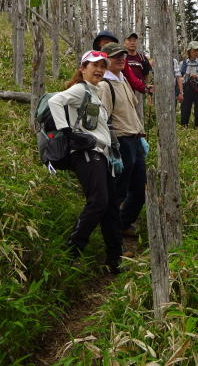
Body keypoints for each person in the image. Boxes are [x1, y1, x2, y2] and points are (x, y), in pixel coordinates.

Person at [48, 50, 123, 274]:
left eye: (102, 66)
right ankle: (72, 251)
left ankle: (114, 260)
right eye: (94, 66)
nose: (99, 70)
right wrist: (67, 133)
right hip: (87, 154)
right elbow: (55, 100)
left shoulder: (94, 92)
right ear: (83, 69)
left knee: (110, 207)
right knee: (99, 202)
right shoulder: (80, 89)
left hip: (101, 154)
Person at [98, 42, 147, 239]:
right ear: (106, 60)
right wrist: (113, 150)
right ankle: (112, 234)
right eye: (115, 56)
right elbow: (102, 119)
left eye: (122, 55)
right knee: (119, 191)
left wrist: (141, 134)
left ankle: (123, 224)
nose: (120, 59)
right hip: (122, 142)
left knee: (138, 189)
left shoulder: (123, 80)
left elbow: (132, 110)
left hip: (135, 139)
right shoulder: (104, 85)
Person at [92, 30, 152, 96]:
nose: (108, 44)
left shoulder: (121, 61)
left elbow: (131, 78)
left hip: (121, 94)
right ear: (99, 43)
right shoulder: (93, 60)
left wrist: (144, 88)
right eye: (105, 42)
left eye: (110, 42)